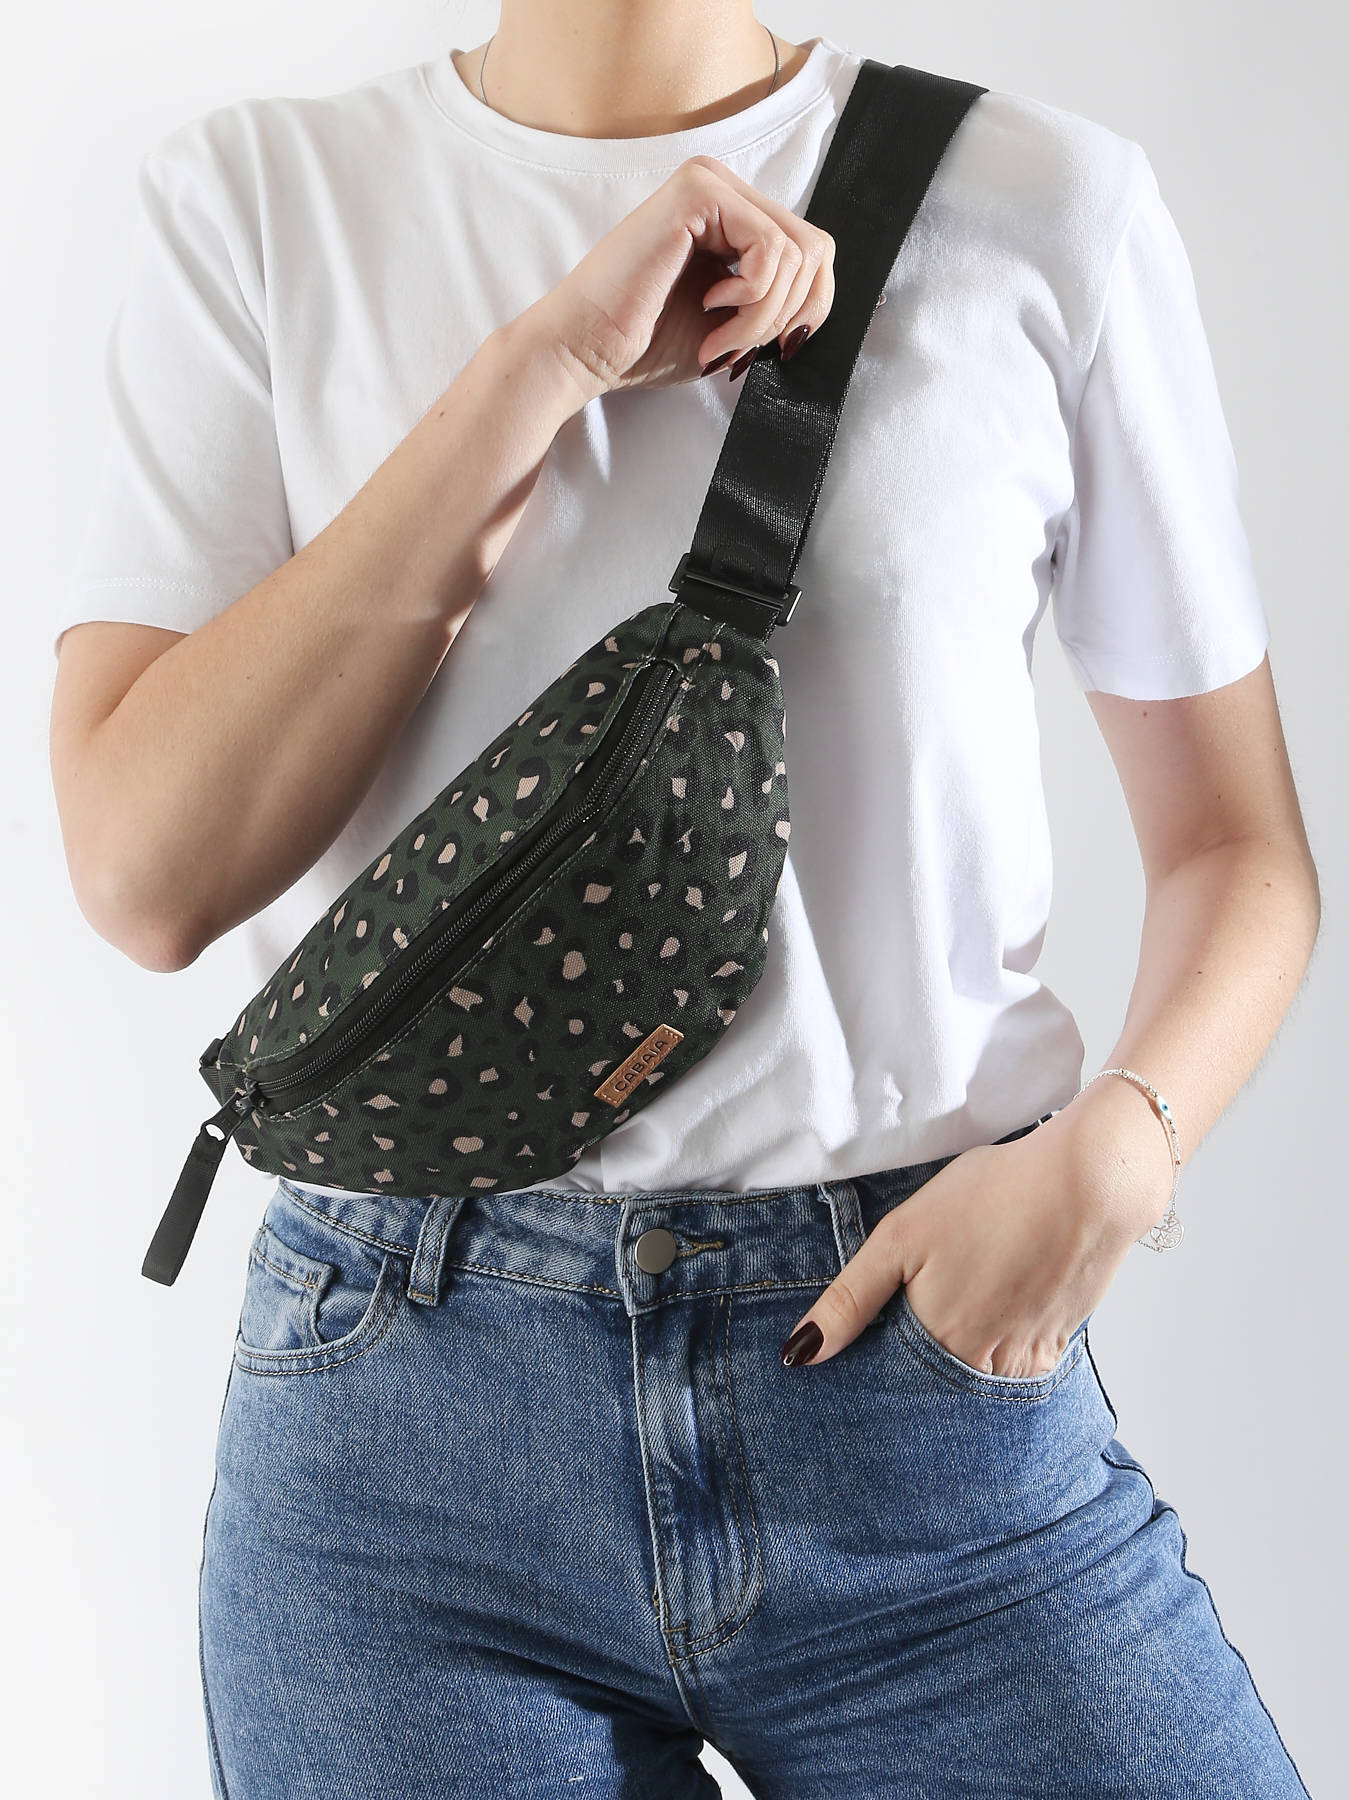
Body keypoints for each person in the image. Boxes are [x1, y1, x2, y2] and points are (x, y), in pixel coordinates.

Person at [49, 5, 1320, 1796]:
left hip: (910, 1376)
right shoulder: (262, 198)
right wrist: (541, 368)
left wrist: (1125, 1146)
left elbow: (1233, 846)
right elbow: (144, 876)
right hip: (405, 1448)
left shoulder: (1042, 199)